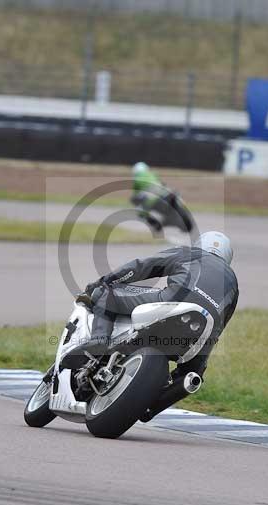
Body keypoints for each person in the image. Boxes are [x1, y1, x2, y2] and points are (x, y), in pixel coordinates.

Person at [66, 231, 239, 422]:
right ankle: (152, 407)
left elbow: (143, 266)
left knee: (105, 295)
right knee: (190, 376)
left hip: (173, 303)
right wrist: (199, 363)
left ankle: (98, 341)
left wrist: (105, 281)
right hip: (204, 331)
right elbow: (221, 324)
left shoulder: (190, 253)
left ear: (200, 245)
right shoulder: (233, 283)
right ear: (227, 257)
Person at [129, 162, 189, 231]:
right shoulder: (153, 173)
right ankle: (180, 211)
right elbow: (161, 183)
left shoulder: (137, 179)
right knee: (175, 196)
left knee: (140, 212)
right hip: (164, 193)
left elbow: (136, 195)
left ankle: (156, 224)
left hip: (152, 198)